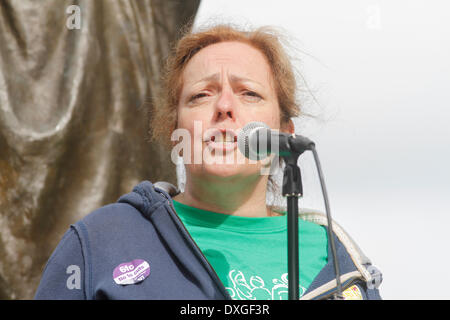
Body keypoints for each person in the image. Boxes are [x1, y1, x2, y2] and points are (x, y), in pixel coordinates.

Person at [34, 24, 382, 300]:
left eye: (249, 93)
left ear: (284, 133)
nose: (225, 106)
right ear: (175, 133)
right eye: (202, 94)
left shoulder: (341, 262)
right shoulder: (102, 241)